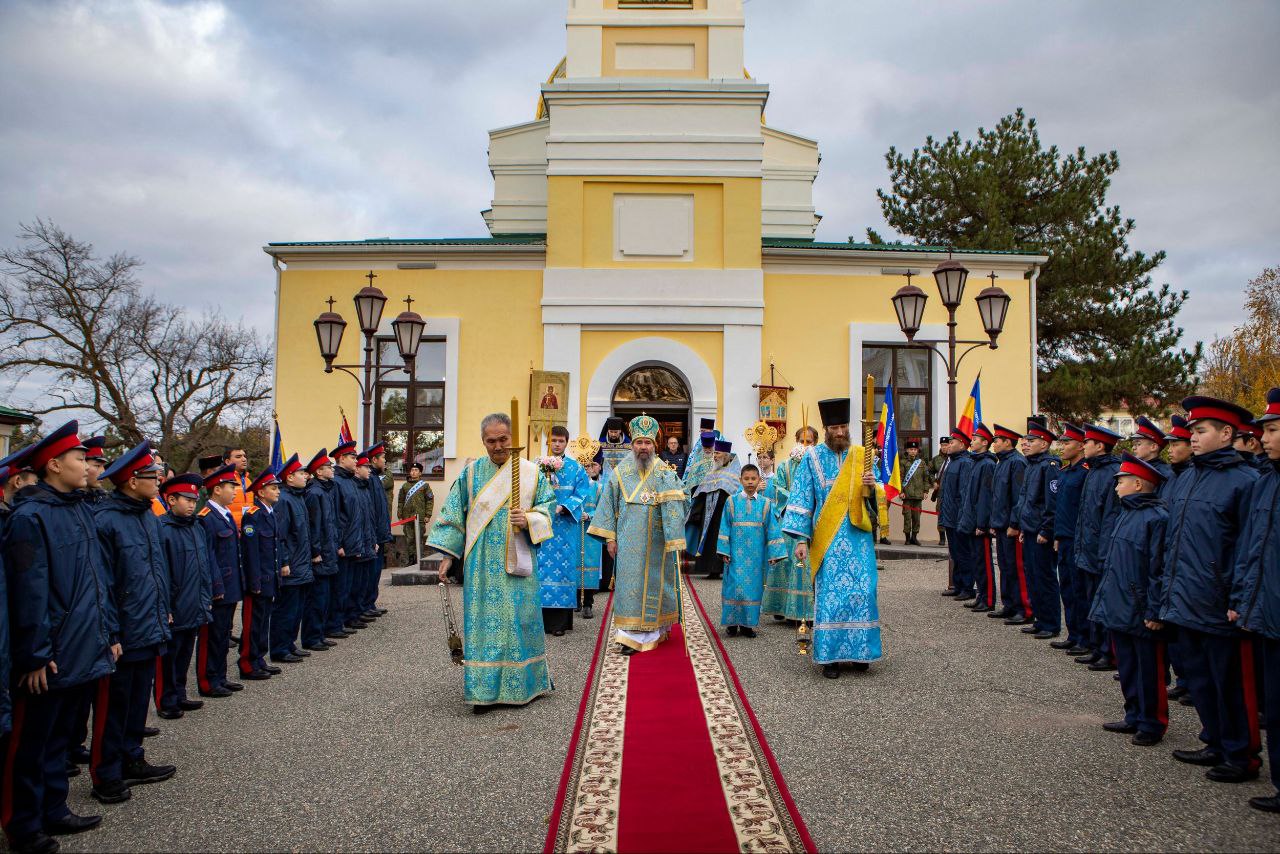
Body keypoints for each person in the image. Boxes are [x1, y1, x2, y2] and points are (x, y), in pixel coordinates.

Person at [1, 422, 117, 851]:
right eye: (79, 459)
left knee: (57, 739)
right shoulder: (29, 517)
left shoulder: (78, 509)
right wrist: (34, 654)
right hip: (49, 654)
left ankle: (53, 808)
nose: (88, 466)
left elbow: (97, 580)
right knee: (30, 744)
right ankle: (22, 824)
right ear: (53, 465)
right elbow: (28, 591)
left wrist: (107, 632)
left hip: (82, 644)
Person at [1153, 395, 1261, 783]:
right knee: (1199, 678)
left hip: (1220, 601)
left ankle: (1241, 754)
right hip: (1184, 597)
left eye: (1200, 431)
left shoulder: (1246, 482)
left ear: (1226, 433)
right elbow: (1173, 539)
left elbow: (1251, 547)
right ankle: (1214, 739)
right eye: (1192, 431)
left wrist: (1239, 599)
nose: (1192, 438)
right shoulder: (1186, 477)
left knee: (1231, 682)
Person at [429, 413, 556, 709]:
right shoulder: (470, 474)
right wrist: (448, 555)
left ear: (512, 438)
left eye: (503, 440)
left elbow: (548, 509)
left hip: (518, 557)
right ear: (483, 441)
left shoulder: (530, 473)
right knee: (483, 624)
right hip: (481, 564)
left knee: (519, 620)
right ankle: (483, 690)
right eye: (491, 441)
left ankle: (524, 684)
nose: (498, 446)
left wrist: (529, 519)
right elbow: (453, 514)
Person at [90, 440, 176, 804]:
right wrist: (111, 632)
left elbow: (157, 570)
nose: (159, 480)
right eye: (152, 476)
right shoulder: (105, 520)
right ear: (131, 481)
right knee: (114, 705)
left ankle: (132, 757)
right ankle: (106, 773)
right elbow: (103, 584)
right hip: (123, 630)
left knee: (139, 699)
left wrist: (164, 607)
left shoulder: (147, 515)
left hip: (148, 624)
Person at [783, 397, 884, 679]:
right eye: (835, 428)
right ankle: (830, 658)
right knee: (831, 598)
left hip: (858, 538)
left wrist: (872, 487)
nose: (840, 432)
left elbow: (880, 493)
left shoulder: (862, 455)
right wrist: (801, 540)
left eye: (844, 427)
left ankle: (861, 653)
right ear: (826, 429)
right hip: (827, 540)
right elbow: (802, 498)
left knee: (863, 593)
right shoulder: (812, 458)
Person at [587, 414, 687, 654]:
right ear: (632, 445)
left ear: (654, 445)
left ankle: (655, 630)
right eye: (639, 442)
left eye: (647, 443)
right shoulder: (620, 472)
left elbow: (684, 500)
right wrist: (610, 538)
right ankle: (629, 635)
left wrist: (672, 499)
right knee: (628, 587)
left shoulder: (664, 471)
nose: (643, 447)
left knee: (656, 583)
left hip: (657, 541)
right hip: (627, 540)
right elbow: (608, 505)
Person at [1091, 453, 1170, 747]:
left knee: (1148, 669)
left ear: (1138, 484)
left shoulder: (1157, 518)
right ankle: (1134, 714)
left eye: (1120, 482)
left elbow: (1158, 568)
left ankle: (1152, 722)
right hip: (1121, 604)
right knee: (1128, 665)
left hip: (1141, 607)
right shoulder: (1127, 513)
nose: (1116, 487)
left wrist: (1154, 610)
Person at [1231, 387, 1280, 812]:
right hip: (1265, 609)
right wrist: (1243, 598)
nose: (1264, 438)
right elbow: (1251, 549)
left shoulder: (1254, 478)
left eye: (1273, 430)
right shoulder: (1266, 483)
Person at [155, 474, 212, 721]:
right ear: (171, 500)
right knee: (168, 655)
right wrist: (165, 606)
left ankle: (179, 693)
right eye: (187, 500)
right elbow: (161, 572)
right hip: (174, 604)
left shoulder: (196, 526)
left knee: (185, 651)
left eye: (194, 500)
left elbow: (203, 565)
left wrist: (205, 596)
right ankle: (166, 699)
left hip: (193, 601)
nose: (192, 504)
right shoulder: (163, 529)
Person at [1073, 424, 1123, 670]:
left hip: (1099, 551)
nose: (1083, 446)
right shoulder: (1093, 471)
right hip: (1087, 547)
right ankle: (1096, 646)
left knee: (1103, 603)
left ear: (1100, 446)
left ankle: (1108, 652)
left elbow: (1109, 519)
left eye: (1087, 442)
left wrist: (1103, 555)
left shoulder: (1112, 473)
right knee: (1090, 600)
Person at [717, 464, 786, 637]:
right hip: (735, 554)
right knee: (734, 587)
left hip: (756, 557)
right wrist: (724, 550)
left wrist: (774, 553)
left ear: (759, 480)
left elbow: (772, 529)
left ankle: (747, 625)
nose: (750, 482)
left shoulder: (765, 504)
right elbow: (724, 526)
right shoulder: (731, 501)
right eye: (746, 479)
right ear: (740, 480)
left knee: (752, 589)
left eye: (753, 479)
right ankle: (732, 623)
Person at [196, 463, 247, 698]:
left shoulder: (224, 514)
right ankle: (208, 680)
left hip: (230, 585)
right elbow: (208, 556)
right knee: (212, 636)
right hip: (218, 587)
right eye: (230, 487)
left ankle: (220, 676)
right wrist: (215, 586)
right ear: (217, 489)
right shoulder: (206, 517)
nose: (235, 491)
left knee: (223, 634)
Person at [538, 425, 592, 636]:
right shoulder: (538, 465)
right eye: (554, 440)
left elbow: (582, 492)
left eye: (561, 441)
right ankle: (541, 622)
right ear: (548, 442)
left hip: (565, 527)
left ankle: (560, 624)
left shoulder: (575, 468)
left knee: (562, 570)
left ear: (566, 443)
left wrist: (564, 507)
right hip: (543, 526)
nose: (557, 444)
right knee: (541, 569)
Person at [762, 426, 818, 624]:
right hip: (789, 522)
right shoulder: (785, 466)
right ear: (796, 441)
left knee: (807, 565)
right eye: (802, 441)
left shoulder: (818, 466)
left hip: (813, 522)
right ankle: (781, 606)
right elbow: (778, 489)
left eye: (809, 441)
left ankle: (806, 610)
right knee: (786, 563)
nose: (805, 445)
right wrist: (797, 500)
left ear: (815, 443)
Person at [1016, 418, 1061, 640]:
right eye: (1025, 441)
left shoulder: (1049, 467)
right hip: (1030, 529)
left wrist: (1046, 530)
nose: (1025, 444)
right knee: (1032, 577)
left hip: (1042, 532)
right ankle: (1039, 619)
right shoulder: (1032, 466)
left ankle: (1051, 624)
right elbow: (1027, 501)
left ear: (1044, 444)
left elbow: (1051, 503)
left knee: (1044, 578)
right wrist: (1024, 527)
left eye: (1031, 441)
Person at [1048, 425, 1089, 654]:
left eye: (1067, 443)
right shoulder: (1064, 473)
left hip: (1077, 538)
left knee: (1080, 590)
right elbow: (1060, 509)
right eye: (1061, 443)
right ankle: (1073, 634)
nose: (1062, 447)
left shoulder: (1085, 473)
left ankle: (1085, 638)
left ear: (1081, 446)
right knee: (1067, 589)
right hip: (1063, 538)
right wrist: (1057, 535)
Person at [271, 455, 314, 664]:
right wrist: (285, 561)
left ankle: (289, 644)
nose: (305, 476)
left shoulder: (298, 497)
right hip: (292, 564)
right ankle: (279, 648)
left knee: (296, 608)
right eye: (301, 473)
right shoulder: (284, 500)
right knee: (286, 609)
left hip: (302, 562)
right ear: (289, 477)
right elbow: (281, 535)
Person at [238, 467, 279, 682]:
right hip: (258, 580)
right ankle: (247, 662)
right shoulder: (253, 516)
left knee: (263, 622)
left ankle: (259, 659)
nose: (278, 491)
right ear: (261, 492)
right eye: (273, 488)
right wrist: (254, 581)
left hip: (269, 577)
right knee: (252, 624)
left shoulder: (270, 514)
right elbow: (251, 553)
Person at [988, 425, 1030, 623]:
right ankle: (1009, 604)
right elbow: (997, 497)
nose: (994, 444)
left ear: (1007, 442)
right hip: (1001, 524)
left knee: (1016, 568)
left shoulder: (1017, 463)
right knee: (1005, 566)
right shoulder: (1001, 462)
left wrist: (1014, 523)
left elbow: (1018, 497)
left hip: (1011, 526)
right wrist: (994, 521)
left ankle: (1023, 608)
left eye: (996, 440)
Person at [300, 449, 340, 656]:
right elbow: (314, 526)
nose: (332, 470)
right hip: (321, 553)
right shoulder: (315, 493)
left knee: (324, 597)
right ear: (319, 472)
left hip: (328, 549)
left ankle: (319, 633)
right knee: (317, 598)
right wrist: (315, 551)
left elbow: (330, 523)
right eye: (328, 467)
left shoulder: (325, 490)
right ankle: (312, 636)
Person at [330, 442, 370, 639]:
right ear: (341, 459)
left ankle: (344, 619)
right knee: (340, 587)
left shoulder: (350, 481)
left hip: (354, 542)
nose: (356, 461)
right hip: (344, 544)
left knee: (349, 585)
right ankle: (335, 623)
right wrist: (339, 544)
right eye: (352, 458)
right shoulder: (337, 482)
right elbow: (335, 517)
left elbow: (357, 515)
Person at [686, 439, 741, 580]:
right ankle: (710, 569)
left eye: (718, 453)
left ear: (726, 455)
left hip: (723, 514)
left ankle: (720, 568)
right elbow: (701, 492)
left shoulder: (734, 473)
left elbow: (737, 493)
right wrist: (696, 512)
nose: (715, 456)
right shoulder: (712, 472)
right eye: (714, 453)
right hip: (708, 515)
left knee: (721, 540)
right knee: (709, 541)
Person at [960, 424, 998, 613]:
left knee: (984, 563)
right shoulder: (976, 462)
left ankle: (988, 598)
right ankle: (981, 595)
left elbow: (985, 497)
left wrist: (982, 524)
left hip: (979, 524)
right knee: (976, 561)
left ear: (984, 443)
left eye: (975, 439)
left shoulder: (987, 464)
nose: (971, 442)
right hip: (972, 521)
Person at [937, 428, 974, 598]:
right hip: (950, 515)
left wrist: (962, 516)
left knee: (963, 553)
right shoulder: (952, 461)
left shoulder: (965, 462)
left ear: (962, 445)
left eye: (952, 442)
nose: (949, 445)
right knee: (955, 553)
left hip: (958, 517)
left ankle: (967, 587)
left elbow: (964, 493)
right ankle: (958, 585)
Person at [363, 443, 394, 620]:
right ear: (374, 460)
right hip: (374, 534)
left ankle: (370, 603)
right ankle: (366, 604)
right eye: (382, 458)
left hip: (380, 533)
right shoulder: (370, 479)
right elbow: (371, 510)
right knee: (370, 572)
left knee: (375, 572)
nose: (385, 461)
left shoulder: (375, 478)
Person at [575, 455, 604, 621]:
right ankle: (575, 600)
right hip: (575, 529)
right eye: (583, 466)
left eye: (589, 466)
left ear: (594, 468)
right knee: (574, 563)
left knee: (590, 565)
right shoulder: (573, 487)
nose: (586, 470)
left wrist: (589, 515)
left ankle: (588, 603)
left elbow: (603, 510)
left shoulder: (598, 488)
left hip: (591, 532)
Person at [395, 462, 435, 565]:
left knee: (418, 539)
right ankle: (411, 560)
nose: (413, 472)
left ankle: (419, 560)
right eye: (412, 470)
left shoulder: (425, 486)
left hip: (420, 518)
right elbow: (400, 501)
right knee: (409, 539)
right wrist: (400, 515)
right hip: (407, 517)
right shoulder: (405, 486)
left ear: (420, 473)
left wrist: (428, 515)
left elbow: (430, 500)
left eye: (416, 470)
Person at [899, 439, 930, 546]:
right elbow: (900, 478)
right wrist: (901, 491)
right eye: (911, 449)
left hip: (918, 495)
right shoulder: (903, 462)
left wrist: (926, 490)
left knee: (916, 518)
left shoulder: (922, 463)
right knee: (907, 518)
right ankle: (907, 538)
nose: (913, 451)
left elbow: (926, 478)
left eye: (915, 449)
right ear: (907, 450)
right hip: (907, 495)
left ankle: (914, 538)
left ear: (917, 451)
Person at [1131, 415, 1174, 491]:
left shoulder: (1164, 474)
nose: (1133, 448)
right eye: (1133, 444)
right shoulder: (1135, 469)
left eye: (1138, 444)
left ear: (1153, 447)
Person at [930, 437, 951, 546]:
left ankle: (951, 537)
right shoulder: (936, 459)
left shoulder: (954, 458)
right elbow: (929, 472)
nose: (944, 447)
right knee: (941, 515)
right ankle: (942, 537)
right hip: (940, 492)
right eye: (942, 445)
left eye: (946, 445)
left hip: (952, 492)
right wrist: (933, 482)